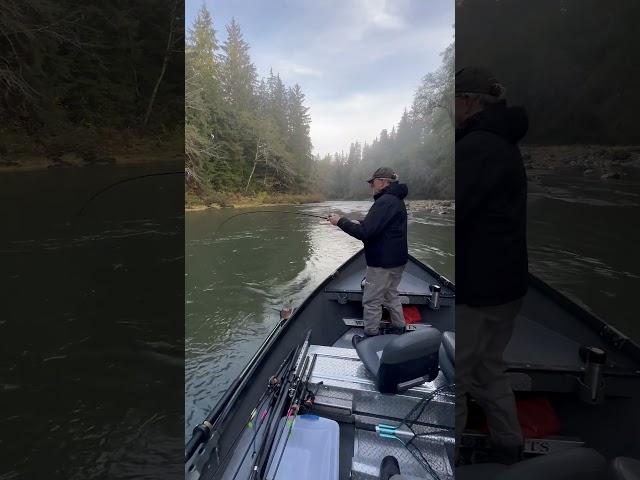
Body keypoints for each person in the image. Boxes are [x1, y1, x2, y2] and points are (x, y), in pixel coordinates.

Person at [454, 67, 529, 464]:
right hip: (508, 285)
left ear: (468, 101)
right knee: (489, 369)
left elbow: (459, 216)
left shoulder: (475, 148)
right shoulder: (503, 142)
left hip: (478, 291)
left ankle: (445, 463)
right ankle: (509, 447)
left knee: (457, 379)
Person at [328, 167, 408, 345]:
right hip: (397, 261)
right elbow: (381, 225)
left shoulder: (385, 201)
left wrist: (340, 221)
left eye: (373, 182)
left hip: (382, 262)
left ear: (382, 181)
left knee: (372, 300)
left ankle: (370, 338)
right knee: (391, 295)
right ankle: (399, 329)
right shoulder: (395, 199)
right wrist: (360, 222)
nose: (371, 185)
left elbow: (365, 233)